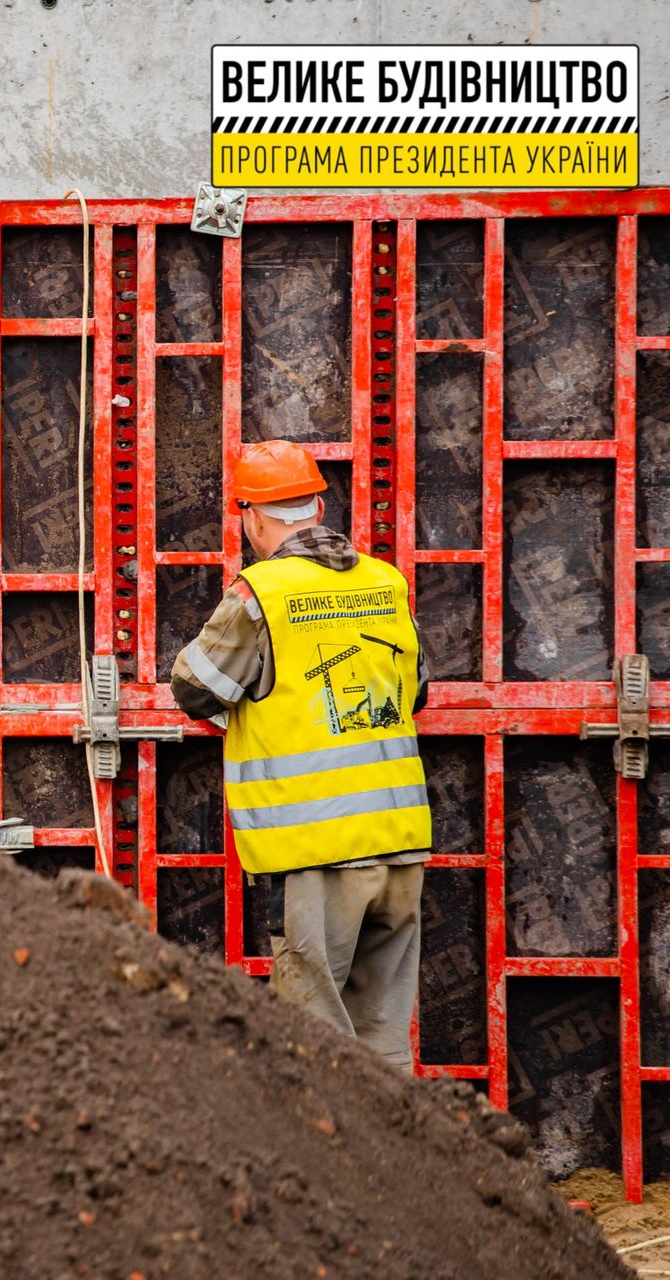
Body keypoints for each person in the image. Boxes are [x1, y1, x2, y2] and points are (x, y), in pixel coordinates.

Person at [169, 439, 432, 1070]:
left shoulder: (261, 594)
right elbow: (417, 690)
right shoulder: (384, 580)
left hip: (320, 850)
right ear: (317, 505)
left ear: (251, 517)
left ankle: (327, 1167)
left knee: (310, 1041)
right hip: (400, 844)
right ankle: (395, 1162)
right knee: (382, 1035)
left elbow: (195, 689)